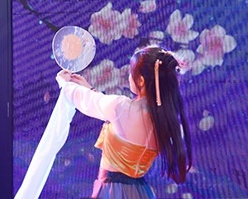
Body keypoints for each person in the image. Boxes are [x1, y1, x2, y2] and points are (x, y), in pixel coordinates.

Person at [56, 45, 192, 198]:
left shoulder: (120, 108)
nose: (129, 77)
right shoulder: (167, 121)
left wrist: (65, 84)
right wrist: (90, 89)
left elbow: (85, 100)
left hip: (111, 191)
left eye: (131, 73)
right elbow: (101, 103)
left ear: (141, 81)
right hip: (140, 192)